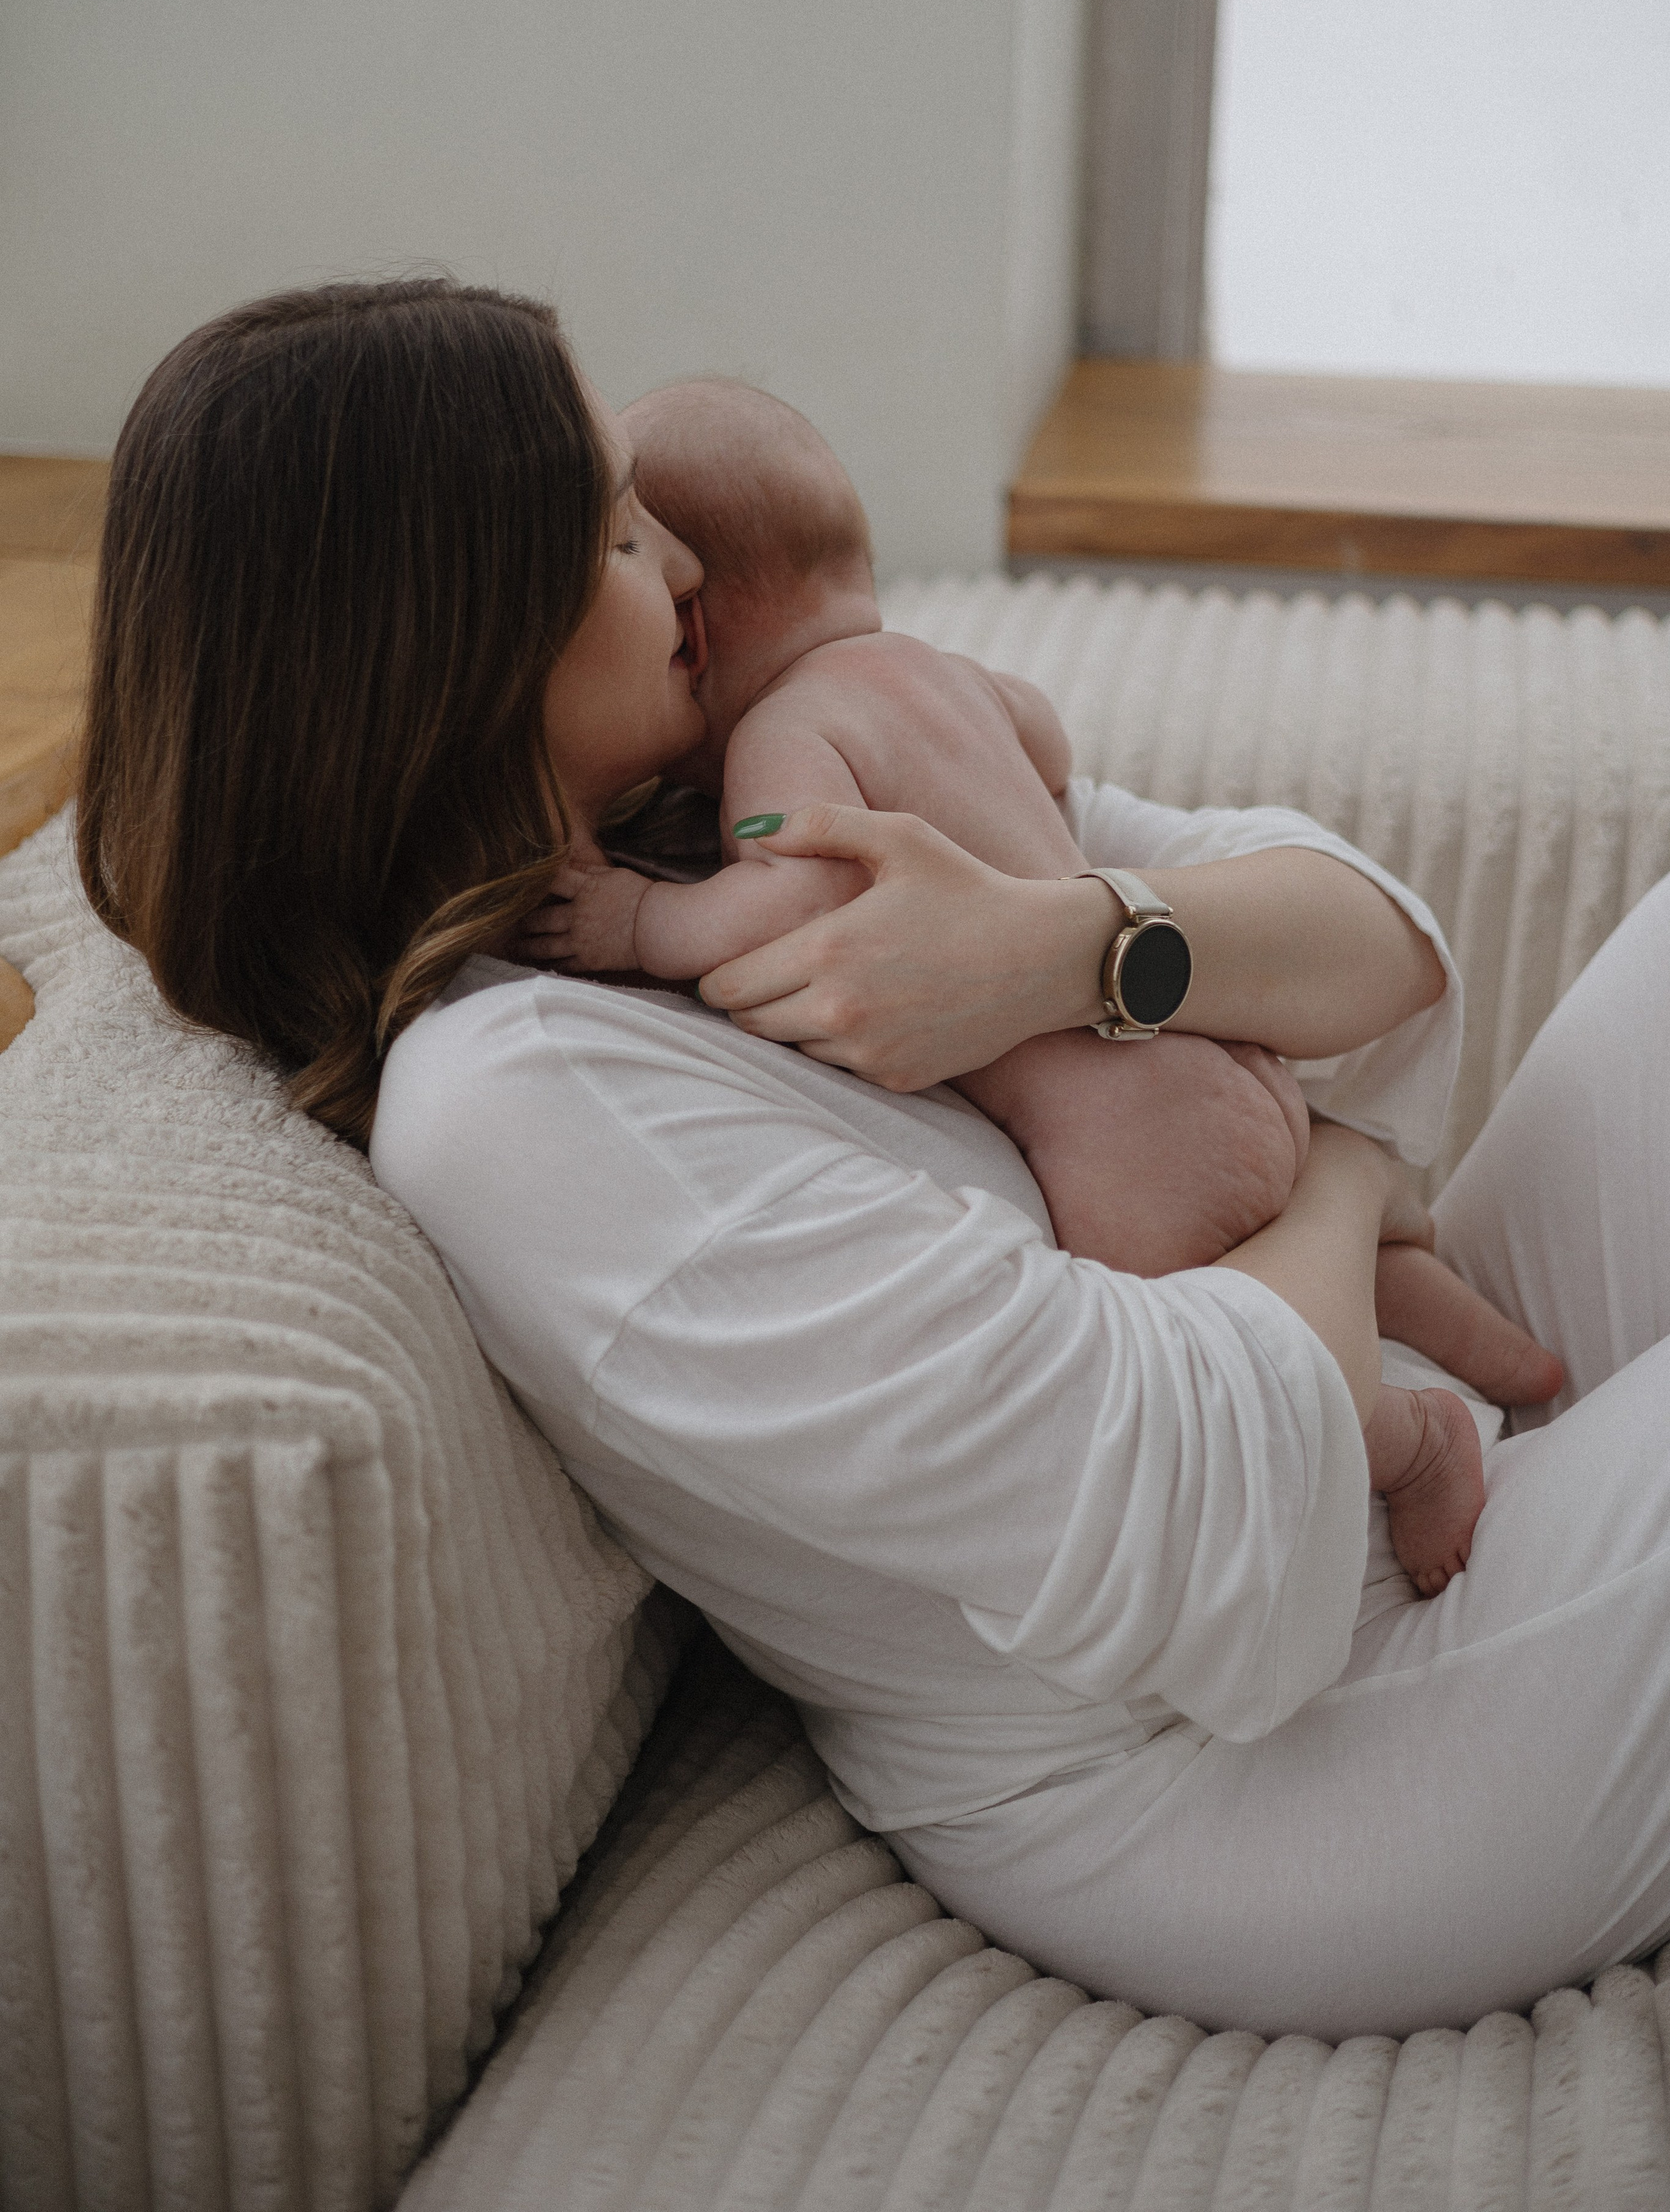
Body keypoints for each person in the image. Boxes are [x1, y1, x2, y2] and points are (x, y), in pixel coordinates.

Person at [76, 276, 1670, 2042]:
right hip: (1275, 1747)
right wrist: (1344, 1182)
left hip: (1374, 1421)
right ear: (449, 641)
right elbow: (1209, 1494)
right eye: (618, 533)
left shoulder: (734, 806)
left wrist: (1061, 946)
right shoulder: (531, 1105)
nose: (689, 562)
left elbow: (1373, 944)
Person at [512, 377, 1560, 1594]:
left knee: (1208, 1320)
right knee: (1314, 1240)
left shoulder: (782, 736)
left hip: (1130, 1146)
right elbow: (1050, 745)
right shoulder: (941, 676)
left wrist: (642, 921)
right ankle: (1504, 1354)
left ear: (701, 624)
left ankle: (1409, 1438)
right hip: (1225, 1058)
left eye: (648, 544)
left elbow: (793, 895)